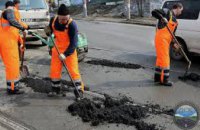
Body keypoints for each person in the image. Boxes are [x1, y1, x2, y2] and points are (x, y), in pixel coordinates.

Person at [47, 4, 84, 98]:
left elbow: (74, 44)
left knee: (73, 71)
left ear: (68, 17)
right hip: (57, 49)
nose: (63, 21)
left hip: (69, 51)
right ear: (58, 16)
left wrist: (65, 54)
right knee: (54, 71)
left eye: (65, 19)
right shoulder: (53, 20)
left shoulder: (72, 25)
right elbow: (50, 29)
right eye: (61, 19)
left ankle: (79, 92)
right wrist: (48, 31)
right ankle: (56, 90)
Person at [152, 3, 183, 86]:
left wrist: (174, 44)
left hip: (167, 41)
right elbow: (154, 12)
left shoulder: (175, 21)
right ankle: (164, 80)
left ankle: (157, 78)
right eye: (181, 10)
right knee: (165, 60)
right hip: (161, 39)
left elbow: (172, 35)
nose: (181, 12)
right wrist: (162, 18)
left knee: (160, 60)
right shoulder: (167, 12)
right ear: (178, 8)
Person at [0, 1, 28, 94]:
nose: (16, 10)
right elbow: (12, 21)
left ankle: (12, 86)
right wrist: (23, 28)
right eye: (15, 8)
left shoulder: (7, 14)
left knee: (13, 65)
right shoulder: (9, 11)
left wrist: (20, 41)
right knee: (12, 66)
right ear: (12, 7)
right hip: (8, 44)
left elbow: (14, 30)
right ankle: (12, 88)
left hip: (9, 43)